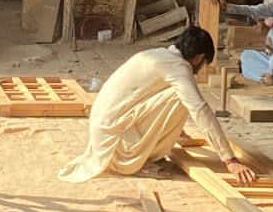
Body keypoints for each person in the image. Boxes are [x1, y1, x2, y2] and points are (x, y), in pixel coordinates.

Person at [59, 26, 257, 185]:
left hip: (105, 134)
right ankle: (140, 160)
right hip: (117, 147)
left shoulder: (158, 55)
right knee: (185, 97)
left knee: (181, 94)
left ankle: (146, 149)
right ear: (198, 58)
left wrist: (173, 129)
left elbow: (146, 99)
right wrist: (230, 160)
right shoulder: (178, 67)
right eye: (203, 62)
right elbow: (200, 110)